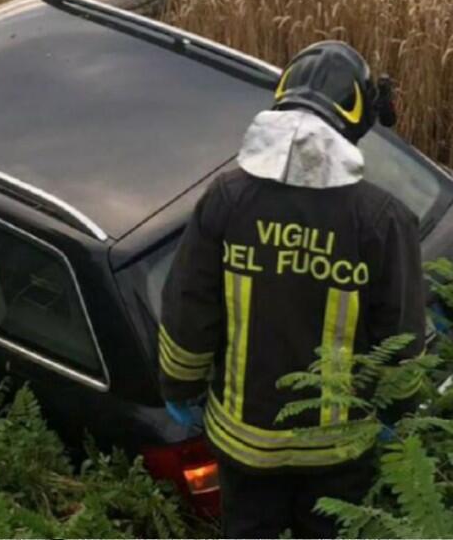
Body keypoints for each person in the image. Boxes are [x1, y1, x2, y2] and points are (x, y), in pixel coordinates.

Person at [157, 40, 425, 538]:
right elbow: (402, 337)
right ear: (359, 119)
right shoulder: (382, 222)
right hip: (340, 455)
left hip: (243, 449)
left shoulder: (227, 200)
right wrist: (395, 415)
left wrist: (180, 388)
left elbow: (189, 310)